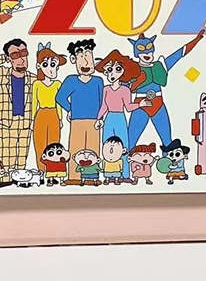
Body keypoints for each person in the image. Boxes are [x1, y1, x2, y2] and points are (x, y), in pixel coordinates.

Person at [56, 40, 104, 185]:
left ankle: (92, 177)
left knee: (93, 148)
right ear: (73, 60)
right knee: (75, 148)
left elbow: (102, 100)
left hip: (94, 120)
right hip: (77, 119)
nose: (86, 62)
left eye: (89, 57)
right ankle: (74, 177)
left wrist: (100, 118)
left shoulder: (98, 81)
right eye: (82, 58)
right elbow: (60, 97)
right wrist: (70, 109)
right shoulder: (71, 80)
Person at [95, 50, 147, 182]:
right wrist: (99, 118)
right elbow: (104, 106)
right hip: (109, 119)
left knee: (123, 147)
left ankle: (125, 175)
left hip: (120, 118)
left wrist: (140, 104)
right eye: (109, 70)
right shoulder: (106, 89)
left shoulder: (125, 90)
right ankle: (109, 174)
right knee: (107, 146)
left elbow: (128, 107)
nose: (112, 74)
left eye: (117, 69)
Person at [0, 38, 36, 181]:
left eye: (23, 53)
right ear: (9, 59)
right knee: (5, 157)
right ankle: (5, 180)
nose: (21, 59)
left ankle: (19, 181)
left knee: (22, 158)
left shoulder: (34, 79)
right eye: (15, 55)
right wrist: (4, 57)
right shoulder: (1, 75)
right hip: (5, 123)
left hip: (25, 123)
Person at [31, 43, 67, 170]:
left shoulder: (57, 84)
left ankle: (53, 169)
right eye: (46, 65)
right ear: (39, 66)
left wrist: (60, 118)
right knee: (39, 142)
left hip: (54, 114)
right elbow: (34, 103)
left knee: (54, 143)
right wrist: (32, 120)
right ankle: (41, 169)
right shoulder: (37, 84)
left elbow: (59, 103)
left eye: (53, 64)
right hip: (40, 114)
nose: (51, 69)